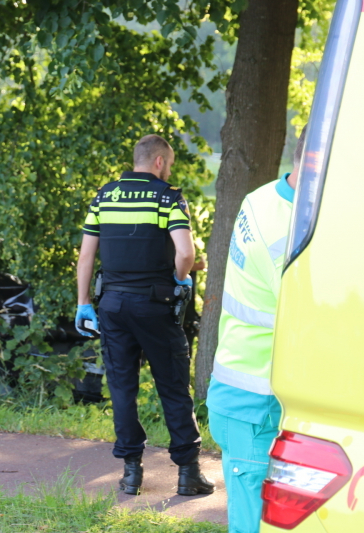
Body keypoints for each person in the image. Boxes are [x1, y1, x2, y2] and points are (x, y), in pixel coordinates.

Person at [75, 134, 214, 496]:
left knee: (122, 387)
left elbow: (86, 257)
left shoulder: (105, 196)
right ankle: (188, 474)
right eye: (167, 163)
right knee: (173, 386)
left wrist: (82, 303)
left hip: (112, 307)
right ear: (158, 162)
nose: (168, 170)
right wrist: (179, 279)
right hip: (155, 305)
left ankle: (132, 472)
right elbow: (185, 252)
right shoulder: (168, 196)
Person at [206, 129, 307, 533]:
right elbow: (317, 315)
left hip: (245, 392)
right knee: (254, 526)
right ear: (317, 162)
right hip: (254, 399)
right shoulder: (286, 235)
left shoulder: (262, 198)